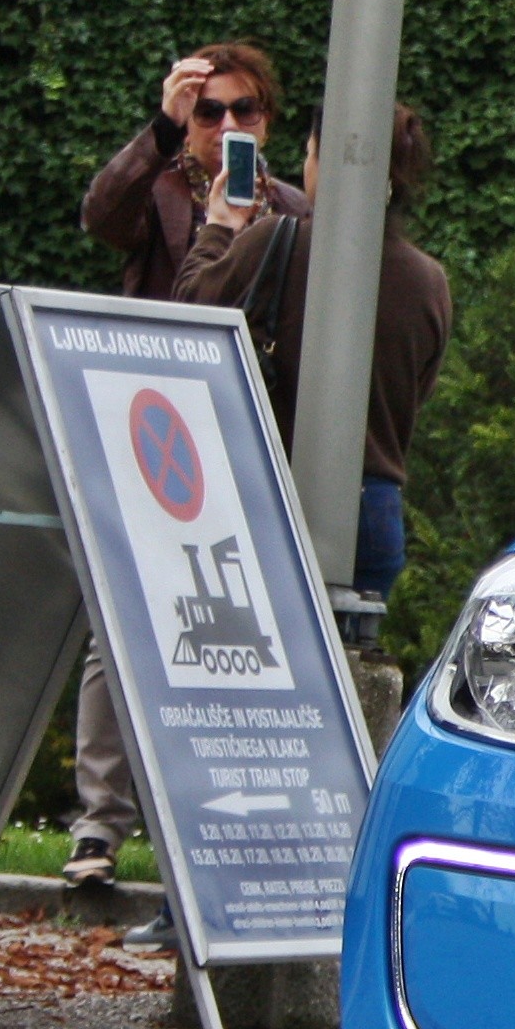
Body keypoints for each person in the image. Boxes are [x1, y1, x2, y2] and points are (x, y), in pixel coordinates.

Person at [64, 45, 310, 890]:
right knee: (118, 622)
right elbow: (101, 215)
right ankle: (99, 825)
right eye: (210, 112)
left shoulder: (292, 209)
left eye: (244, 110)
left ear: (267, 120)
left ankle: (213, 828)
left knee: (232, 634)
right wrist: (162, 128)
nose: (227, 125)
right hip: (152, 429)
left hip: (240, 443)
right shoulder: (161, 189)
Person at [178, 101, 454, 607]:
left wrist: (218, 226)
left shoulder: (275, 241)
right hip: (375, 510)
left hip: (271, 492)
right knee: (347, 654)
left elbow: (190, 310)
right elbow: (417, 391)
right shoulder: (429, 282)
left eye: (309, 153)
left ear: (329, 165)